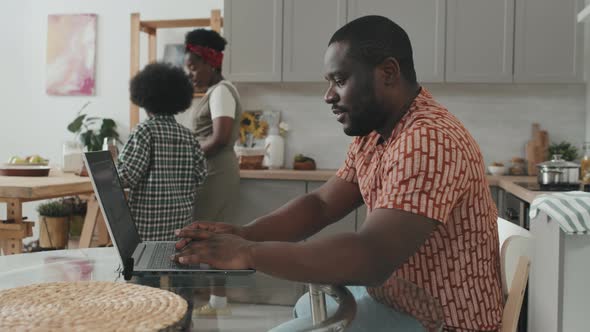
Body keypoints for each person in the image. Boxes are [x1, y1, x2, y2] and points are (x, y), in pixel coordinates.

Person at [174, 15, 503, 332]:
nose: (328, 95)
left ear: (388, 72)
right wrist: (246, 234)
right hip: (402, 299)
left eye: (340, 80)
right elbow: (321, 204)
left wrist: (247, 252)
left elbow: (371, 256)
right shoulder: (375, 133)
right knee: (307, 307)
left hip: (443, 321)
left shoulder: (427, 140)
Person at [184, 28, 243, 315]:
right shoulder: (216, 91)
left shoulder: (221, 91)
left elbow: (219, 137)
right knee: (210, 234)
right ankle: (217, 301)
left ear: (210, 62)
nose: (191, 74)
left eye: (194, 67)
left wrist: (189, 155)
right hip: (215, 170)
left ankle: (218, 303)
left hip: (216, 172)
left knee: (210, 235)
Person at [118, 62, 207, 241]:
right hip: (180, 229)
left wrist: (107, 172)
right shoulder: (188, 136)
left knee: (143, 268)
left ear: (144, 99)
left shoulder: (144, 131)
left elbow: (127, 176)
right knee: (171, 266)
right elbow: (200, 176)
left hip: (146, 230)